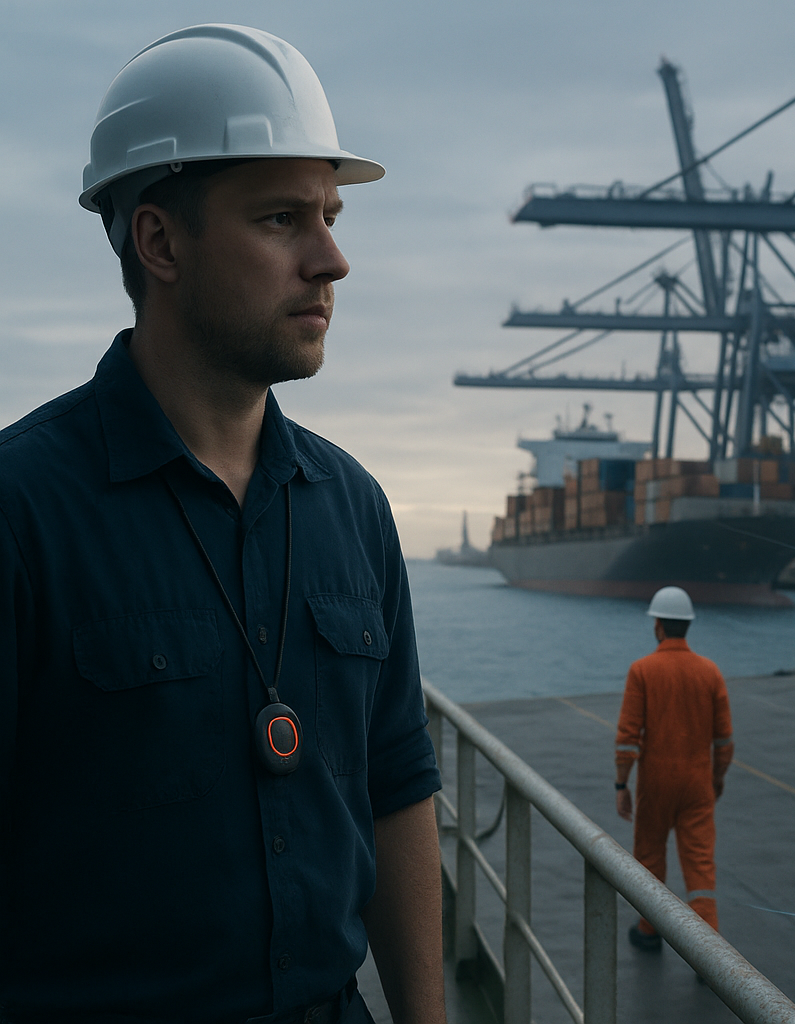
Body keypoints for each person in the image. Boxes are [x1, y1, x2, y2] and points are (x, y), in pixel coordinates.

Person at [0, 25, 443, 1022]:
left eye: (330, 215)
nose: (332, 259)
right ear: (158, 241)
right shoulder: (23, 511)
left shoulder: (356, 508)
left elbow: (398, 786)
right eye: (283, 218)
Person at [615, 586, 734, 951]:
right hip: (698, 783)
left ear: (658, 627)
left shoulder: (642, 670)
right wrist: (716, 778)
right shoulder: (710, 672)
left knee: (650, 857)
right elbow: (724, 741)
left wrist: (622, 784)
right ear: (687, 626)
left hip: (656, 783)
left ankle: (650, 930)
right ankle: (710, 950)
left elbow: (627, 738)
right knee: (700, 864)